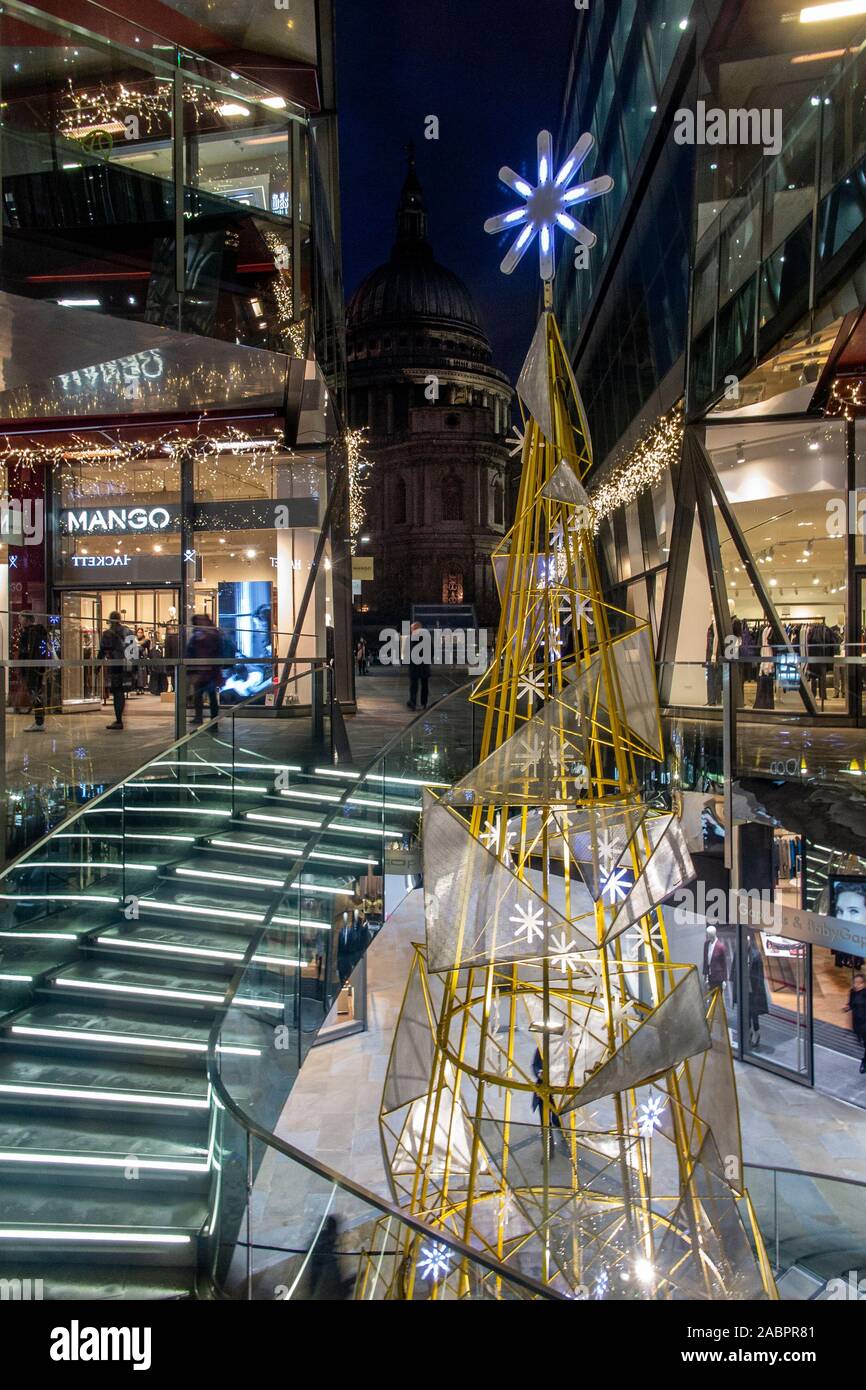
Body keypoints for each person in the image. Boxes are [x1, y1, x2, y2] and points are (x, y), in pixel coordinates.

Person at [186, 613, 225, 726]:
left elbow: (217, 651)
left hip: (209, 671)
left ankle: (212, 719)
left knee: (210, 695)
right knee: (200, 695)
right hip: (200, 670)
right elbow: (190, 652)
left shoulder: (211, 635)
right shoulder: (199, 635)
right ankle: (201, 717)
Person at [98, 611, 133, 730]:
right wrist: (134, 668)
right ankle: (119, 719)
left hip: (116, 666)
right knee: (121, 692)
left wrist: (97, 666)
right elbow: (133, 652)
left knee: (118, 692)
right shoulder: (128, 631)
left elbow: (102, 651)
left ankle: (119, 720)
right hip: (127, 666)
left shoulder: (107, 634)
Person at [18, 611, 49, 732]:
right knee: (37, 692)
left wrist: (24, 667)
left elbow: (24, 652)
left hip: (31, 668)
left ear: (27, 620)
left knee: (35, 693)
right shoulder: (40, 632)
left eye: (21, 619)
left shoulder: (29, 633)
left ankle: (39, 722)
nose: (20, 622)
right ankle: (39, 721)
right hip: (38, 667)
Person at [844, 972, 866, 1075]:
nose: (856, 985)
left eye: (858, 983)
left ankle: (864, 1062)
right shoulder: (852, 992)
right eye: (855, 982)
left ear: (863, 984)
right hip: (857, 1023)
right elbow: (851, 1004)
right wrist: (847, 1007)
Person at [406, 621, 430, 711]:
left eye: (411, 628)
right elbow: (432, 651)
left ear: (415, 628)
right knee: (425, 686)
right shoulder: (427, 638)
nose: (411, 630)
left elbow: (407, 651)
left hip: (414, 666)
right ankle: (424, 703)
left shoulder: (411, 638)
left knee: (413, 686)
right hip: (424, 666)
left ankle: (413, 702)